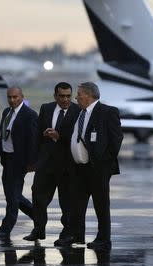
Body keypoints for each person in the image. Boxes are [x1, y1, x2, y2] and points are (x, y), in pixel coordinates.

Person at [58, 82, 123, 250]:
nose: (76, 97)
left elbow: (116, 140)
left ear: (88, 95)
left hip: (97, 168)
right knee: (76, 205)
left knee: (101, 205)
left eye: (79, 94)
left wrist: (104, 163)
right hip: (79, 168)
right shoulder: (79, 113)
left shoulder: (107, 112)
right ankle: (75, 235)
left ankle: (103, 239)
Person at [23, 82, 80, 245]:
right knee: (38, 196)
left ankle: (67, 233)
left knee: (67, 202)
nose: (65, 99)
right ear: (55, 96)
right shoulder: (46, 108)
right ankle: (39, 229)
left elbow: (78, 138)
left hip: (68, 165)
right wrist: (32, 160)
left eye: (68, 96)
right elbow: (36, 137)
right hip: (46, 163)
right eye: (61, 96)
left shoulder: (77, 111)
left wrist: (58, 136)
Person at [0, 86, 38, 240]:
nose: (12, 100)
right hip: (8, 159)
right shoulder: (6, 112)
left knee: (12, 197)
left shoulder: (29, 115)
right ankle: (38, 216)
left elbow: (33, 140)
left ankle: (6, 228)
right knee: (13, 195)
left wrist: (31, 162)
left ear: (22, 97)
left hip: (20, 160)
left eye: (15, 97)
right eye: (10, 97)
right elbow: (1, 136)